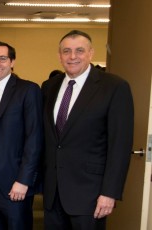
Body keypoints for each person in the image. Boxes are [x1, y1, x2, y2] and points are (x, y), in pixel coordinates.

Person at [42, 30, 133, 229]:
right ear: (59, 56)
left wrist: (110, 193)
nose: (72, 56)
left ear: (91, 53)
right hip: (53, 194)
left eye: (79, 51)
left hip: (90, 194)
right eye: (66, 51)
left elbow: (120, 146)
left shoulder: (114, 87)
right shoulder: (49, 86)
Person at [0, 40, 43, 230]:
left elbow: (34, 139)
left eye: (2, 58)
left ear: (12, 62)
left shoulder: (28, 90)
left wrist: (24, 180)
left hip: (15, 180)